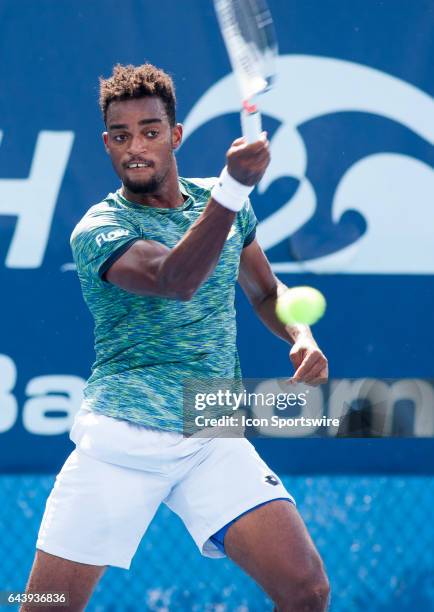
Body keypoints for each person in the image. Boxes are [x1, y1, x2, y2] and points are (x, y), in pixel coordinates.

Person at [23, 64, 330, 612]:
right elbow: (175, 280)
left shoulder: (220, 204)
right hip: (123, 433)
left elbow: (264, 291)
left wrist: (299, 334)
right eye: (120, 136)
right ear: (106, 144)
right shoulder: (98, 228)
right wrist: (234, 189)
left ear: (176, 135)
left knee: (306, 591)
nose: (135, 147)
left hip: (210, 427)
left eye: (150, 131)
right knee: (46, 604)